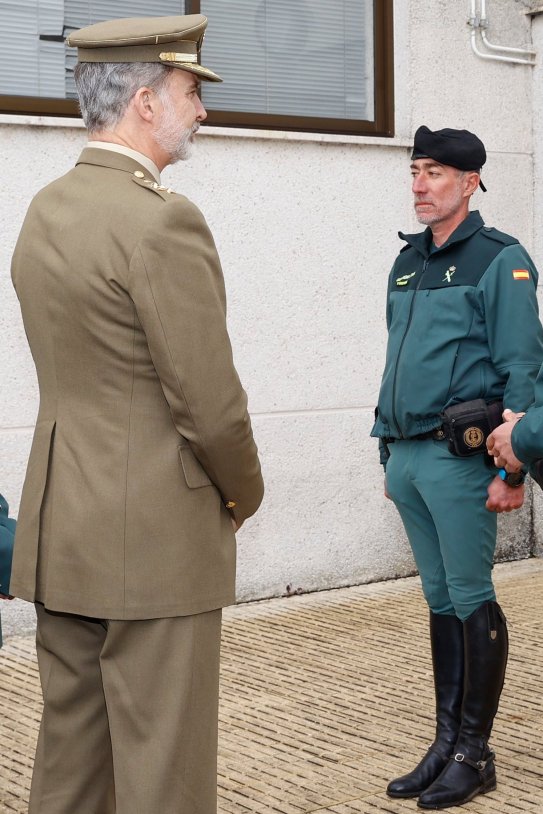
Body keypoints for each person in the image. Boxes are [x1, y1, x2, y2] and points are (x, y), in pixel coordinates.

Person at [10, 14, 264, 814]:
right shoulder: (161, 220)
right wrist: (241, 496)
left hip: (64, 532)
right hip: (154, 544)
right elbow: (210, 405)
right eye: (191, 92)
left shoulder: (44, 210)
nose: (201, 110)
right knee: (164, 777)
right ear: (146, 101)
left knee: (72, 769)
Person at [371, 125, 543, 809]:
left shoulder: (500, 260)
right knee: (438, 599)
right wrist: (385, 449)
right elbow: (394, 363)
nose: (419, 184)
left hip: (461, 459)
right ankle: (444, 743)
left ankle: (475, 751)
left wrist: (511, 472)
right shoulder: (407, 262)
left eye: (435, 172)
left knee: (470, 596)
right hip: (408, 455)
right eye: (414, 170)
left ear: (469, 183)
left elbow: (521, 370)